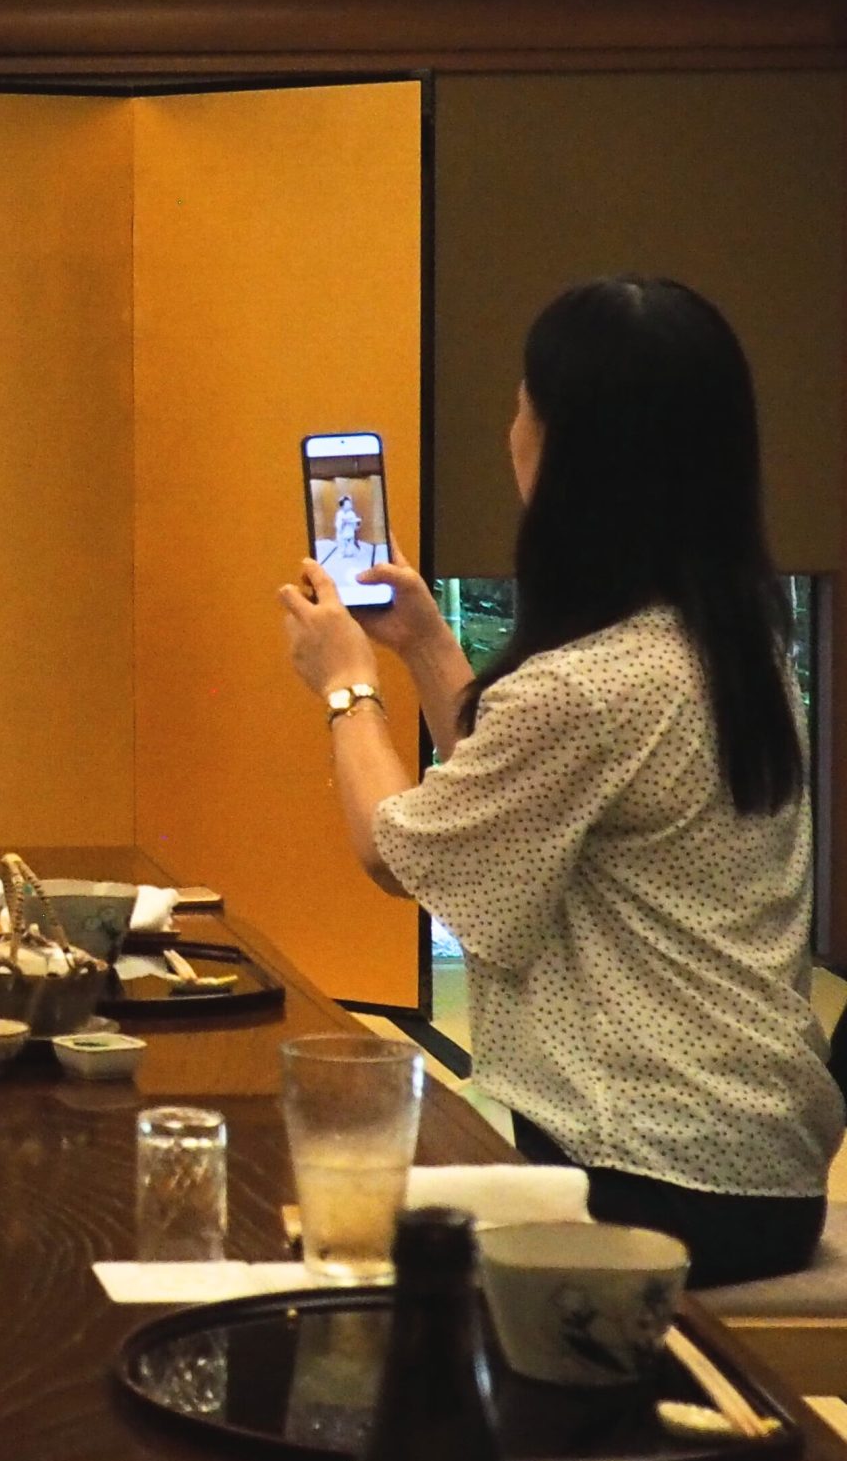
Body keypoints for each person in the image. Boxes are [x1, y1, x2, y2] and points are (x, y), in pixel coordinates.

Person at [278, 275, 838, 1288]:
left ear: (573, 454)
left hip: (644, 1177)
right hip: (761, 1168)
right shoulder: (734, 640)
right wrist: (423, 645)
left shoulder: (592, 686)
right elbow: (519, 799)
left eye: (523, 402)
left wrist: (345, 685)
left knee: (329, 1225)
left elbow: (391, 847)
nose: (511, 426)